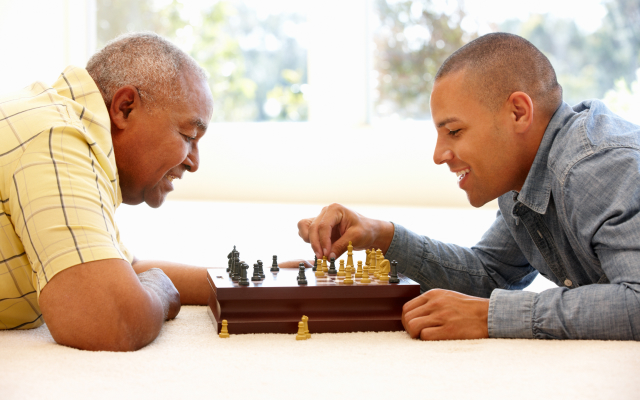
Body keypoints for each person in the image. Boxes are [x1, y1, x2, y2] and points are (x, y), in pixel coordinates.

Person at [297, 32, 640, 341]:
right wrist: (379, 234)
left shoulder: (598, 166)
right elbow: (490, 275)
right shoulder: (524, 175)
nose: (438, 155)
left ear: (519, 112)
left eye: (455, 131)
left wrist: (491, 316)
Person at [0, 32, 220, 351]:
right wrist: (157, 290)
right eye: (188, 135)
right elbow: (111, 320)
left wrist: (238, 280)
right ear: (125, 107)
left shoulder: (67, 125)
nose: (194, 162)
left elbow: (121, 270)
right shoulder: (56, 139)